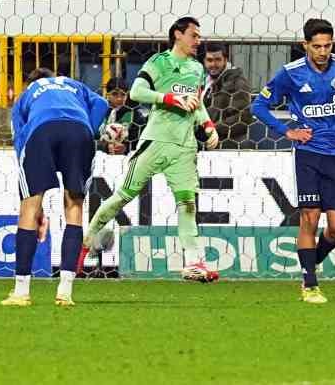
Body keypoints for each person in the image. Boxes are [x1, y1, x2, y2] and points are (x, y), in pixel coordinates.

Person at [84, 17, 221, 283]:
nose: (198, 41)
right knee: (123, 196)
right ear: (177, 35)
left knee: (188, 203)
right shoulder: (159, 63)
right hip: (156, 141)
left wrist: (207, 124)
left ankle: (193, 263)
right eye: (193, 35)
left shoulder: (196, 68)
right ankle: (87, 239)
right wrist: (168, 98)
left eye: (199, 36)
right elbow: (136, 92)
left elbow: (197, 102)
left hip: (184, 147)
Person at [250, 18, 335, 304]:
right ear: (304, 45)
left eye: (327, 45)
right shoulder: (291, 73)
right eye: (316, 46)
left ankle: (311, 263)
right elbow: (259, 105)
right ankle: (310, 284)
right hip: (307, 152)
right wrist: (286, 130)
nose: (322, 51)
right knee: (310, 217)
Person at [0, 68, 115, 307]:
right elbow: (103, 104)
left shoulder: (27, 94)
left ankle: (21, 292)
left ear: (31, 82)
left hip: (41, 132)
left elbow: (20, 139)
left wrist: (34, 202)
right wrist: (89, 130)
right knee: (74, 207)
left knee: (28, 209)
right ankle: (65, 291)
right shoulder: (74, 85)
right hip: (78, 131)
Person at [202, 43, 255, 148]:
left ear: (225, 60)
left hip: (229, 145)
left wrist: (212, 129)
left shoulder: (238, 82)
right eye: (209, 60)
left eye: (218, 59)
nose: (213, 64)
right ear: (204, 61)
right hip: (209, 142)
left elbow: (244, 118)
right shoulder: (205, 82)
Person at [104, 77, 146, 144]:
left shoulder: (135, 115)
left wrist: (125, 148)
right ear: (108, 95)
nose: (119, 98)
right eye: (115, 94)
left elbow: (139, 141)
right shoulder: (103, 112)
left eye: (123, 94)